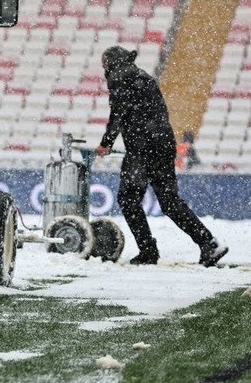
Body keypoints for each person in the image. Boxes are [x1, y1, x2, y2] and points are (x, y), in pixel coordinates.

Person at [94, 45, 228, 267]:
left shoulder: (120, 76)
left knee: (128, 200)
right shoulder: (142, 76)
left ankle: (148, 251)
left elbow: (118, 113)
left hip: (142, 148)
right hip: (163, 145)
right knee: (169, 202)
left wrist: (105, 144)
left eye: (104, 65)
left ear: (110, 62)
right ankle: (209, 243)